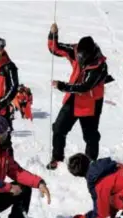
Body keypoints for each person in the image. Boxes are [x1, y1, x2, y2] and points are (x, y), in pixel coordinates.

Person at [47, 22, 112, 170]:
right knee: (58, 128)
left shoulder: (100, 65)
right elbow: (55, 49)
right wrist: (53, 34)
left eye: (84, 56)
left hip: (91, 102)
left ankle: (91, 163)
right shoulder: (76, 50)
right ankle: (57, 158)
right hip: (73, 99)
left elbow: (85, 87)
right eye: (79, 55)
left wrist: (62, 86)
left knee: (91, 136)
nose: (80, 58)